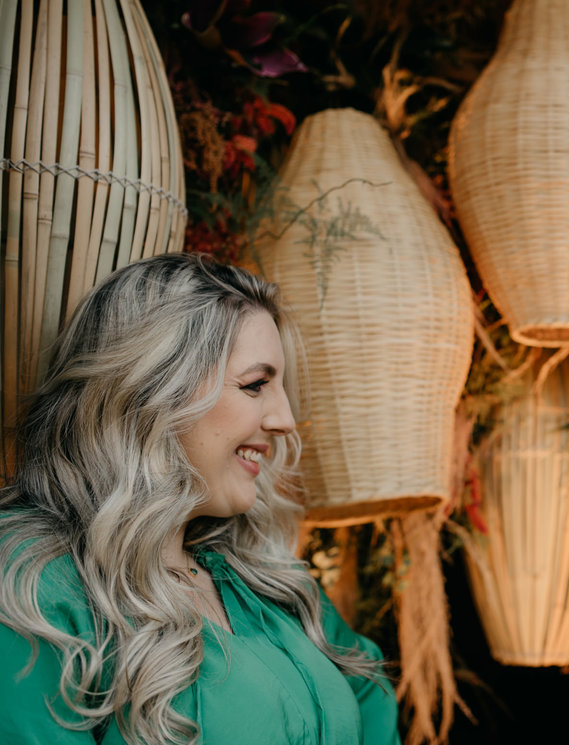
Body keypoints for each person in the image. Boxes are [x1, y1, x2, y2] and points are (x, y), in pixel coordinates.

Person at [0, 254, 401, 744]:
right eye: (256, 385)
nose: (284, 420)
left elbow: (368, 689)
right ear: (152, 390)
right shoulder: (33, 587)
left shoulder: (260, 577)